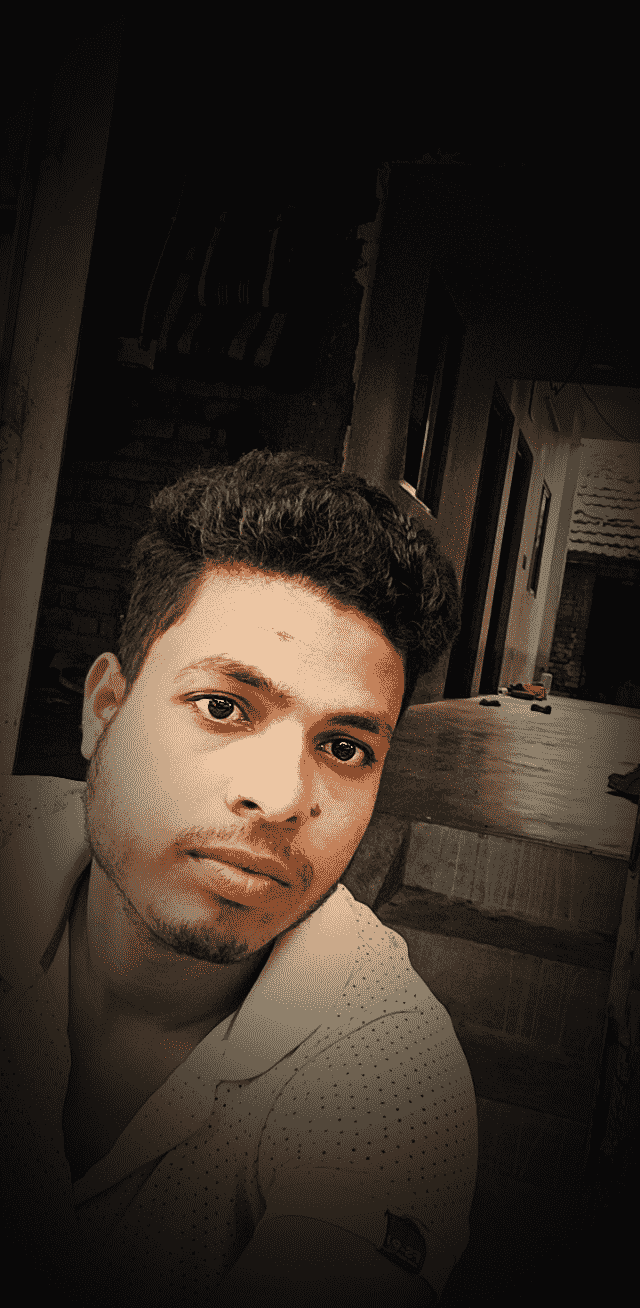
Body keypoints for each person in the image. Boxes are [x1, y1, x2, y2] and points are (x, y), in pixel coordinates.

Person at [0, 450, 477, 1306]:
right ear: (104, 709)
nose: (283, 798)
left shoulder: (387, 1073)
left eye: (344, 747)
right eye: (223, 706)